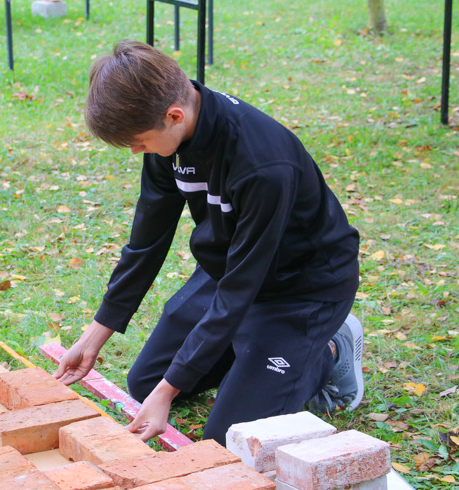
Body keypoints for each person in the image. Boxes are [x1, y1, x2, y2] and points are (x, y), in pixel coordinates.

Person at [54, 40, 363, 446]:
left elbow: (240, 290)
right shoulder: (168, 134)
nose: (135, 151)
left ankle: (325, 352)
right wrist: (93, 339)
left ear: (174, 115)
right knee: (144, 381)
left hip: (300, 290)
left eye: (138, 141)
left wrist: (169, 392)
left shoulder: (263, 165)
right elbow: (146, 245)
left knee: (225, 438)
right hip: (231, 268)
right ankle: (249, 350)